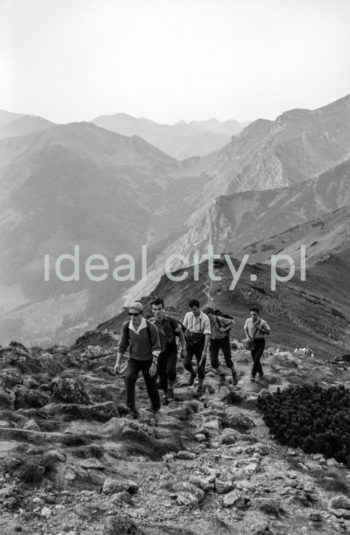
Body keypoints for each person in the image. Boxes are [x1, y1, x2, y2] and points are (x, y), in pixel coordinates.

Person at [114, 302, 161, 419]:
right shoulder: (126, 326)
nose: (132, 317)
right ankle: (131, 408)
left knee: (151, 385)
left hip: (149, 360)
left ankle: (156, 406)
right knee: (129, 378)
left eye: (135, 315)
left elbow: (157, 347)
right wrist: (117, 363)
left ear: (142, 314)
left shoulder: (151, 327)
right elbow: (122, 345)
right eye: (130, 314)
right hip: (134, 359)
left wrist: (154, 364)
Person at [150, 297, 186, 405]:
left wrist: (183, 348)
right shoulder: (150, 325)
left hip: (171, 350)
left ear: (163, 309)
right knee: (161, 375)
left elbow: (181, 333)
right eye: (155, 309)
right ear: (152, 310)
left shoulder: (171, 321)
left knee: (171, 371)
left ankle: (170, 388)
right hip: (158, 353)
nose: (157, 312)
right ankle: (165, 395)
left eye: (159, 309)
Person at [203, 307, 238, 386]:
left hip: (224, 340)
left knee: (228, 360)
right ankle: (222, 376)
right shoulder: (205, 321)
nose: (209, 319)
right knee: (213, 362)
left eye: (210, 316)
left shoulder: (220, 319)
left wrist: (225, 329)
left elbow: (233, 322)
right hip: (213, 341)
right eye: (207, 317)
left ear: (212, 315)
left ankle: (234, 373)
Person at [183, 299, 211, 396]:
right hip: (189, 342)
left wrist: (205, 350)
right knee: (186, 363)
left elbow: (207, 334)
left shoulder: (205, 318)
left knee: (201, 367)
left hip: (200, 343)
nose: (193, 312)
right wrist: (182, 345)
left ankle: (200, 385)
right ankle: (192, 373)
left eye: (194, 309)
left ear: (198, 307)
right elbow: (183, 329)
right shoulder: (188, 315)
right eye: (191, 310)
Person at [244, 306, 271, 381]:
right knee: (255, 359)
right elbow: (245, 329)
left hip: (260, 342)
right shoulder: (248, 321)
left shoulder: (263, 322)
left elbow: (268, 331)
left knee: (256, 358)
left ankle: (253, 375)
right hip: (252, 342)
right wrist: (247, 337)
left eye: (254, 314)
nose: (253, 316)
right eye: (251, 314)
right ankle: (261, 372)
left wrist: (260, 329)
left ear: (258, 314)